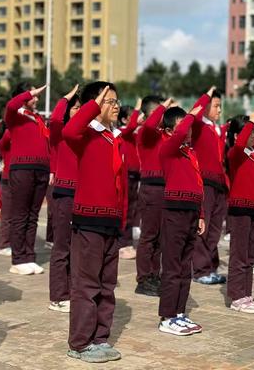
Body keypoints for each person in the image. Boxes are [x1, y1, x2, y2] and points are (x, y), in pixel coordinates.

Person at [63, 83, 126, 363]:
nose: (115, 105)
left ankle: (100, 338)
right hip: (89, 221)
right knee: (86, 285)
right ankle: (79, 343)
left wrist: (122, 221)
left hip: (111, 222)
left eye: (116, 100)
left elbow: (121, 185)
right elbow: (67, 129)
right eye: (109, 101)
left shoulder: (115, 138)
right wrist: (92, 105)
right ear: (94, 104)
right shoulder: (85, 135)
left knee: (107, 285)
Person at [158, 104, 206, 336]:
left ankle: (179, 313)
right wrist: (191, 116)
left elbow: (198, 184)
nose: (187, 131)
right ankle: (167, 316)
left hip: (191, 212)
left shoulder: (191, 153)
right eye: (182, 127)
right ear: (169, 130)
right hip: (174, 212)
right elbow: (179, 134)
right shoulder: (167, 148)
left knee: (185, 266)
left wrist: (201, 214)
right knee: (172, 265)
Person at [226, 108, 254, 314]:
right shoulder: (236, 153)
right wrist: (251, 122)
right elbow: (241, 142)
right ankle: (236, 296)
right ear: (237, 135)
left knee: (250, 256)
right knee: (239, 255)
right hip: (240, 209)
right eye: (251, 132)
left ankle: (246, 293)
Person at [4, 83, 49, 276]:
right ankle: (18, 258)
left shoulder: (37, 118)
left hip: (41, 169)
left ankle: (29, 256)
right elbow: (11, 105)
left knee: (33, 216)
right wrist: (30, 93)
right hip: (22, 168)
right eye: (33, 95)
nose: (36, 98)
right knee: (20, 215)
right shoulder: (16, 115)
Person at [48, 85, 80, 313]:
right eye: (75, 108)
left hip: (81, 195)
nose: (78, 111)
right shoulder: (60, 132)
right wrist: (65, 98)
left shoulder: (84, 134)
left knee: (76, 248)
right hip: (63, 194)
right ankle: (58, 296)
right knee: (62, 247)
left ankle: (72, 290)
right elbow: (56, 118)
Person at [135, 95, 172, 296]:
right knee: (149, 236)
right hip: (151, 188)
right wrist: (163, 107)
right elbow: (149, 125)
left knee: (160, 238)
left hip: (165, 188)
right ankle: (144, 278)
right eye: (159, 112)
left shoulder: (163, 135)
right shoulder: (145, 133)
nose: (162, 116)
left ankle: (154, 275)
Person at [191, 87, 228, 285]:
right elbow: (196, 110)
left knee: (215, 228)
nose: (219, 110)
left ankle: (210, 266)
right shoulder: (198, 126)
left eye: (220, 106)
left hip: (219, 183)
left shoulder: (217, 129)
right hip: (204, 182)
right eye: (215, 106)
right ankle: (200, 269)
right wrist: (206, 95)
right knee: (203, 229)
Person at [118, 101, 142, 260]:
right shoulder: (122, 132)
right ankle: (122, 244)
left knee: (133, 208)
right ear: (124, 120)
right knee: (124, 208)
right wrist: (138, 107)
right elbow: (133, 125)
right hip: (125, 174)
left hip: (136, 175)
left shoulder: (134, 134)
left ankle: (127, 242)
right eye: (132, 115)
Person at [0, 125, 12, 256]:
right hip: (8, 179)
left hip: (22, 180)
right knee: (7, 215)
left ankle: (13, 242)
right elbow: (1, 146)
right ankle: (4, 244)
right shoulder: (9, 133)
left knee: (19, 215)